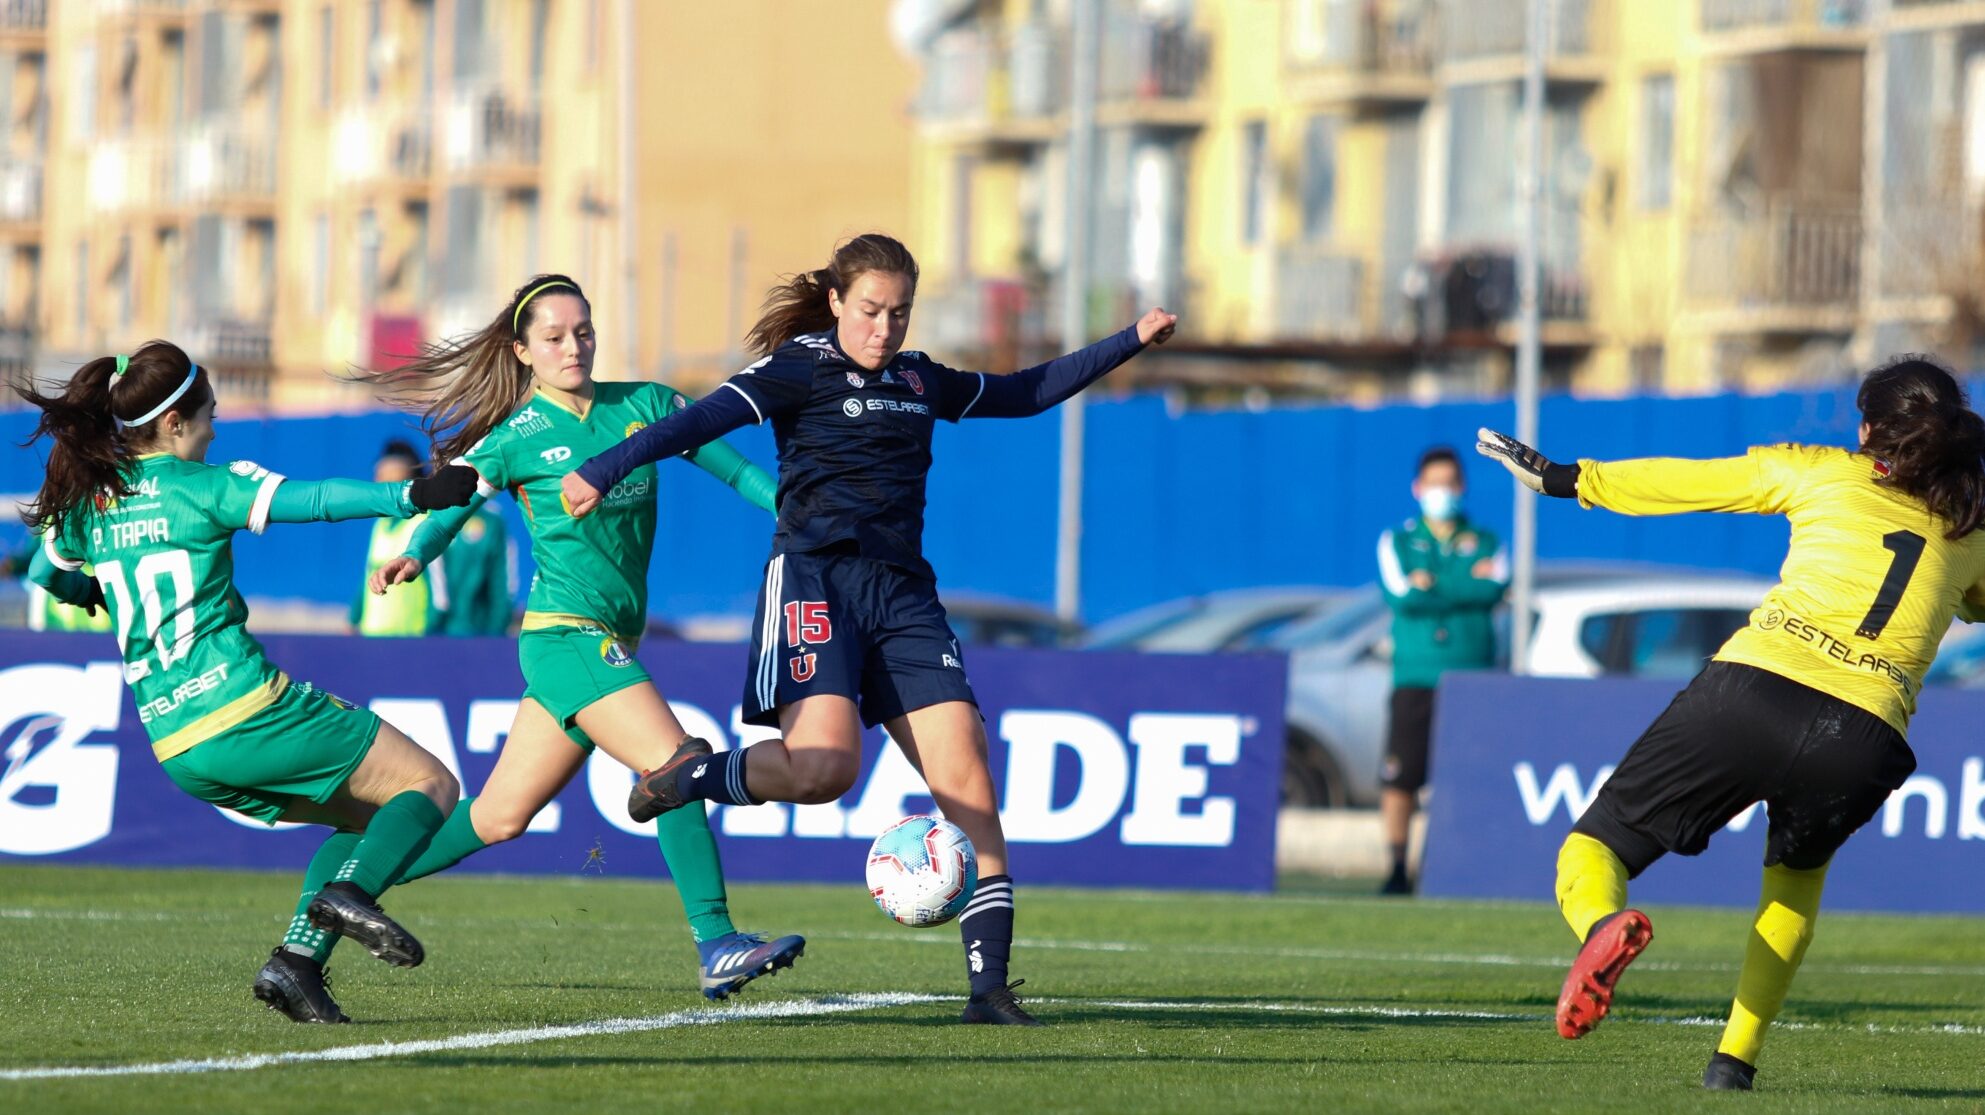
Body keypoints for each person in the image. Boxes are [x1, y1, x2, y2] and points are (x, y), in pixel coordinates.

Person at [560, 233, 1178, 1026]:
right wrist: (601, 466)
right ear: (835, 302)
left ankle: (988, 992)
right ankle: (691, 778)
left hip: (902, 596)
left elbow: (1024, 392)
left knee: (969, 785)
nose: (883, 328)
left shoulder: (918, 377)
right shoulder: (798, 367)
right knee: (824, 771)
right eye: (870, 310)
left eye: (899, 313)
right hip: (815, 583)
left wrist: (1129, 338)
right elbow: (695, 423)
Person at [1476, 354, 1985, 1091]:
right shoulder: (1968, 524)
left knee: (1594, 846)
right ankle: (1732, 1063)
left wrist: (1570, 478)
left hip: (1755, 689)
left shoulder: (1816, 469)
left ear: (1868, 428)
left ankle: (1600, 930)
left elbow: (1689, 481)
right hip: (1864, 735)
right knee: (1792, 887)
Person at [358, 274, 804, 1000]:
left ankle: (346, 886)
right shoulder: (514, 437)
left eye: (583, 331)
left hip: (605, 640)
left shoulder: (647, 405)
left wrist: (789, 507)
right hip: (565, 636)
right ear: (523, 350)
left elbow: (733, 468)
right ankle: (717, 940)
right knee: (677, 764)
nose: (574, 346)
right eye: (555, 336)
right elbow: (454, 500)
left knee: (497, 817)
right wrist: (417, 551)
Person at [16, 340, 480, 1022]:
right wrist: (410, 493)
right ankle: (350, 895)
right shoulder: (204, 485)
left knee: (363, 814)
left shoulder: (92, 502)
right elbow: (314, 498)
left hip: (177, 745)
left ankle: (296, 964)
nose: (214, 428)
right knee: (430, 785)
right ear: (175, 425)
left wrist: (91, 587)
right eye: (208, 415)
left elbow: (43, 572)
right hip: (247, 709)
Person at [1375, 446, 1506, 894]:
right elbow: (1402, 596)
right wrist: (1464, 584)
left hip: (1472, 676)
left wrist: (1434, 585)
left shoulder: (1486, 540)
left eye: (1449, 482)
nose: (1441, 492)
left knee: (1466, 780)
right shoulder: (1396, 539)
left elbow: (1492, 589)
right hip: (1416, 676)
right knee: (1401, 777)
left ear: (1462, 487)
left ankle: (1455, 866)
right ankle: (1396, 866)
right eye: (1433, 483)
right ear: (1417, 488)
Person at [350, 440, 434, 636]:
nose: (378, 480)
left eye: (386, 475)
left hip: (409, 639)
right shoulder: (381, 524)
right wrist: (354, 619)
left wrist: (431, 639)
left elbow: (439, 594)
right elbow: (368, 578)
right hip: (373, 637)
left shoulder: (424, 523)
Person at [428, 502, 514, 636]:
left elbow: (503, 584)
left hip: (472, 632)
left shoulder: (493, 521)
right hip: (448, 631)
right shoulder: (437, 517)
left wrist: (496, 631)